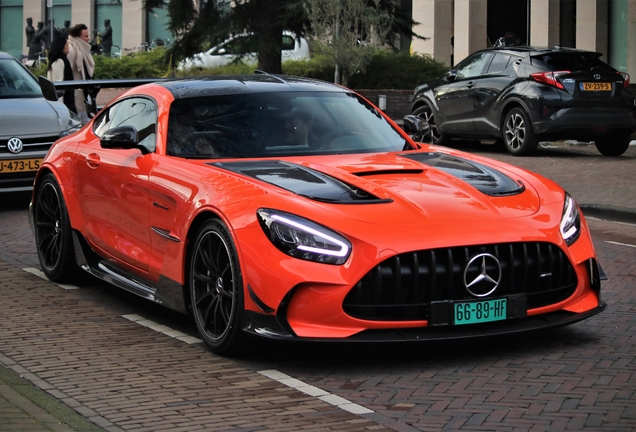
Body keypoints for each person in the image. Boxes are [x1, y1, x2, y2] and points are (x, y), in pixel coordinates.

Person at [67, 23, 95, 123]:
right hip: (75, 95)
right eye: (86, 36)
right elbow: (67, 72)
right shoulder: (71, 49)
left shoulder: (82, 49)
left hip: (83, 93)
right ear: (77, 37)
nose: (88, 39)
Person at [46, 35, 77, 114]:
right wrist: (61, 110)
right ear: (60, 46)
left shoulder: (61, 60)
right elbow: (58, 86)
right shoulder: (59, 61)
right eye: (66, 45)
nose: (68, 48)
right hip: (65, 105)